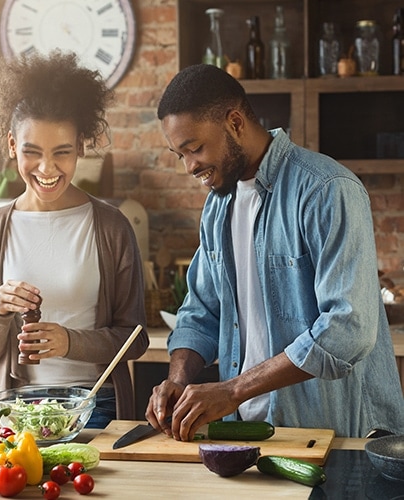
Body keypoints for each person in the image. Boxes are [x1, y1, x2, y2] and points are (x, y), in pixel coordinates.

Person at [146, 63, 404, 440]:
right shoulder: (218, 206)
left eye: (195, 148)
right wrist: (178, 380)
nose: (189, 167)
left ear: (235, 122)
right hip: (244, 431)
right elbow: (200, 312)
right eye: (178, 154)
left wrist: (233, 390)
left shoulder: (326, 190)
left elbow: (348, 329)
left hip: (333, 434)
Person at [0, 51, 148, 427]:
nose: (47, 169)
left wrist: (70, 342)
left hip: (95, 408)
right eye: (32, 152)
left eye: (62, 153)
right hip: (17, 411)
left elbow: (136, 338)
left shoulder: (112, 227)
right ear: (12, 145)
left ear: (81, 146)